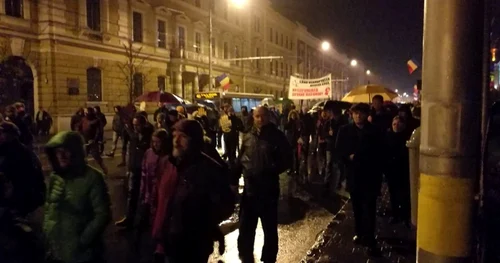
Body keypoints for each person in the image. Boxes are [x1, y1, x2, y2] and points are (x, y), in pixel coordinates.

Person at [164, 120, 230, 263]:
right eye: (175, 135)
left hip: (193, 243)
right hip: (171, 238)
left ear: (194, 139)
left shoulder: (208, 169)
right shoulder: (172, 164)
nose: (176, 140)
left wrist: (204, 225)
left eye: (183, 136)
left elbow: (225, 203)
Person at [232, 106, 291, 263]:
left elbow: (287, 159)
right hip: (250, 190)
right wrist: (234, 178)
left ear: (268, 116)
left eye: (263, 116)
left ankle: (269, 257)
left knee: (269, 227)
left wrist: (271, 169)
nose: (260, 119)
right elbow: (241, 159)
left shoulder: (277, 136)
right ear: (253, 116)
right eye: (257, 116)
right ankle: (245, 254)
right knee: (246, 226)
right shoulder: (247, 136)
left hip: (268, 190)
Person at [43, 131, 111, 263]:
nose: (61, 155)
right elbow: (49, 208)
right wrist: (48, 233)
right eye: (58, 152)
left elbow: (102, 215)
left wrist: (82, 241)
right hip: (56, 250)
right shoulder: (55, 177)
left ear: (76, 152)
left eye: (66, 151)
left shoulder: (92, 178)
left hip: (82, 254)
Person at [335, 103, 384, 255]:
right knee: (356, 206)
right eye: (355, 113)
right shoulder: (345, 130)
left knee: (370, 207)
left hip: (370, 176)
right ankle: (359, 232)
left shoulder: (375, 130)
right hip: (354, 175)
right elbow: (339, 151)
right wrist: (348, 157)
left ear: (366, 114)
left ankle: (370, 236)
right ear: (351, 114)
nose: (358, 116)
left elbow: (380, 152)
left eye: (361, 113)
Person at [139, 129, 176, 263]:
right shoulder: (149, 154)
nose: (155, 145)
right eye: (153, 142)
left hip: (162, 194)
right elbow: (144, 174)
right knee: (152, 218)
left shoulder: (169, 158)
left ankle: (161, 246)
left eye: (158, 142)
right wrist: (144, 194)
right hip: (151, 193)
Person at [115, 114, 154, 228]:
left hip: (146, 170)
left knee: (146, 196)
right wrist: (129, 168)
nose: (135, 127)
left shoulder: (149, 135)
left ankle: (145, 220)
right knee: (132, 195)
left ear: (143, 124)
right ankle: (129, 218)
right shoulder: (134, 136)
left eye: (137, 125)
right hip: (134, 169)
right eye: (134, 125)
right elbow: (131, 153)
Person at [385, 116, 411, 226]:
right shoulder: (388, 137)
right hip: (392, 170)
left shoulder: (407, 137)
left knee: (404, 193)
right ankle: (395, 214)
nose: (396, 126)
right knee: (393, 193)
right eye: (394, 124)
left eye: (399, 124)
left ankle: (405, 215)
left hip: (404, 170)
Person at [80, 107, 108, 175]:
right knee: (83, 156)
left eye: (86, 111)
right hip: (85, 140)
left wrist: (95, 140)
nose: (85, 112)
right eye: (84, 111)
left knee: (96, 157)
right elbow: (80, 129)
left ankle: (104, 169)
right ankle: (83, 171)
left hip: (92, 141)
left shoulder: (96, 120)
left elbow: (99, 131)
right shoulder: (83, 119)